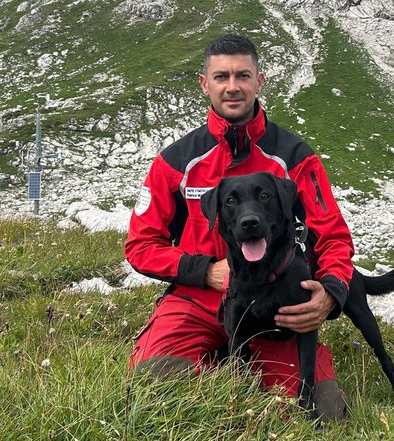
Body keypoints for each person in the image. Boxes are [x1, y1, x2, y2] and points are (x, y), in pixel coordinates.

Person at [125, 34, 355, 420]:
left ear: (259, 81)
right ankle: (218, 365)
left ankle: (229, 369)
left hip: (274, 315)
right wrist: (205, 271)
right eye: (221, 77)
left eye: (242, 75)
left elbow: (332, 236)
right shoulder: (175, 161)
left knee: (324, 411)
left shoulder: (295, 157)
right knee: (151, 385)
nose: (232, 87)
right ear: (205, 84)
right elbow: (141, 246)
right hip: (195, 304)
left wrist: (330, 294)